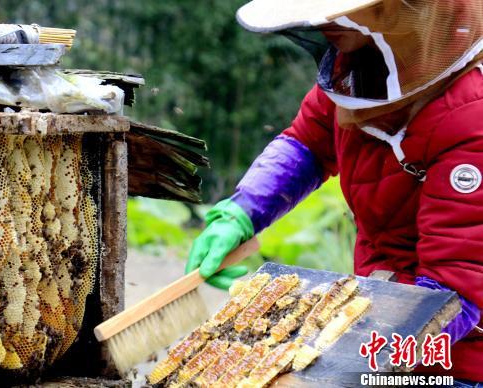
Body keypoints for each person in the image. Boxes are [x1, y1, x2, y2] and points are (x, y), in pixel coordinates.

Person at [185, 0, 483, 384]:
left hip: (455, 363)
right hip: (381, 314)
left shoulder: (471, 119)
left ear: (407, 12)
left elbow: (454, 293)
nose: (326, 23)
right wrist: (242, 212)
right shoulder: (359, 71)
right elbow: (307, 144)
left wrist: (347, 347)